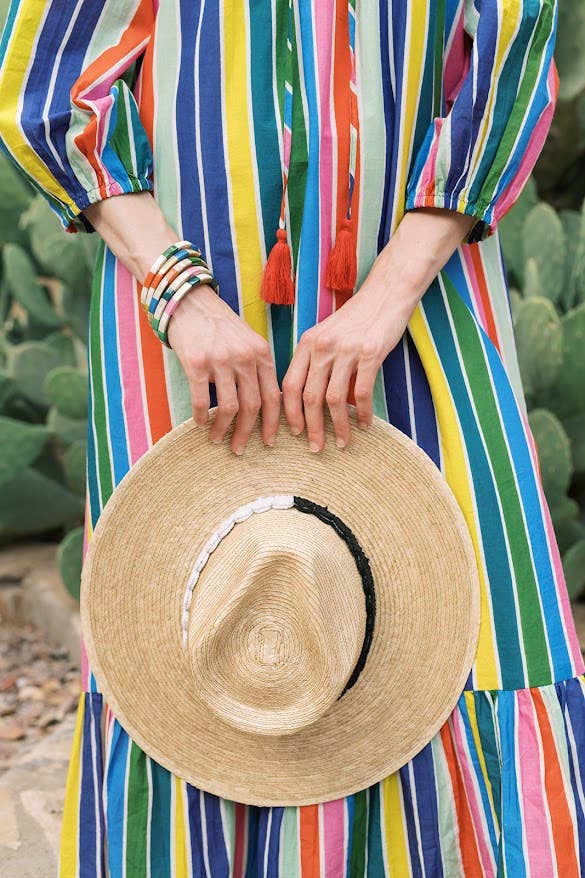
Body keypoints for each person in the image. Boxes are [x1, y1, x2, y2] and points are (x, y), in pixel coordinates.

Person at [1, 0, 584, 874]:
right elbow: (41, 83)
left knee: (474, 616)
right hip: (181, 315)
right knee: (194, 631)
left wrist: (386, 300)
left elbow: (511, 56)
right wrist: (178, 294)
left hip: (422, 288)